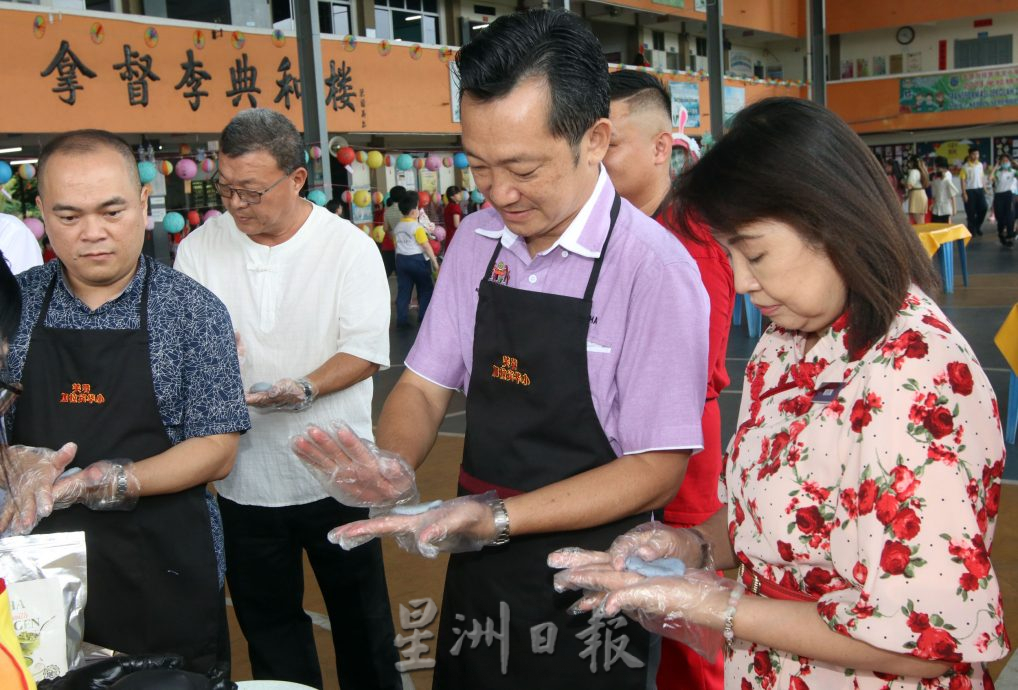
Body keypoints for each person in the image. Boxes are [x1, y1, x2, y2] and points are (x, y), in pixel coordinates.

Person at [291, 9, 709, 689]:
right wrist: (394, 462)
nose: (500, 194)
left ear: (595, 139)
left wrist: (500, 517)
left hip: (598, 577)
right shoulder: (478, 243)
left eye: (522, 168)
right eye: (479, 167)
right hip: (479, 568)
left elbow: (657, 467)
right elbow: (424, 386)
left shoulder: (652, 269)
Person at [550, 97, 1009, 690]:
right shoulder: (786, 341)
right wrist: (688, 545)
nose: (741, 280)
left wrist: (712, 606)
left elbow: (923, 643)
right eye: (731, 254)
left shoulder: (916, 371)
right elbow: (777, 522)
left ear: (831, 220)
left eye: (756, 252)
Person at [2, 130, 249, 683]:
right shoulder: (12, 307)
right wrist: (7, 456)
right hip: (36, 574)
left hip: (163, 568)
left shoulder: (192, 310)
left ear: (142, 204)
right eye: (68, 216)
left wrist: (106, 479)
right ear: (41, 211)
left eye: (111, 210)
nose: (92, 233)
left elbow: (217, 450)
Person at [174, 108, 400, 690]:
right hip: (243, 477)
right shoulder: (199, 249)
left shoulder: (347, 248)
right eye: (224, 188)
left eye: (251, 191)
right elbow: (190, 348)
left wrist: (305, 387)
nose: (236, 204)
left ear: (297, 179)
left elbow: (367, 349)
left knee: (363, 622)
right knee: (269, 625)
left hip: (337, 470)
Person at [602, 68, 732, 690]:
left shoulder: (691, 238)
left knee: (687, 615)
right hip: (622, 444)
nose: (596, 158)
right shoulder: (616, 232)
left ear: (661, 147)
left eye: (612, 142)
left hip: (678, 446)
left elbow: (690, 368)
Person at [393, 193, 439, 329]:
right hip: (417, 260)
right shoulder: (416, 227)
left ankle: (401, 320)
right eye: (418, 208)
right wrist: (435, 263)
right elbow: (426, 246)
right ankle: (423, 317)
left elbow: (396, 245)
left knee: (403, 291)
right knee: (425, 288)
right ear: (414, 211)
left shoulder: (397, 227)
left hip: (401, 260)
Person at [990, 153, 1016, 247]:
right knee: (1000, 218)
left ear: (1009, 162)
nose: (1005, 162)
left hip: (1009, 194)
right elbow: (990, 178)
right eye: (1003, 161)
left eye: (1006, 161)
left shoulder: (1013, 171)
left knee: (1010, 217)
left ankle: (1009, 236)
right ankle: (1001, 234)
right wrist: (996, 166)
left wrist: (1014, 163)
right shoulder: (998, 172)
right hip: (998, 196)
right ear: (1000, 162)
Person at [960, 148, 988, 236]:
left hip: (979, 190)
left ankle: (977, 226)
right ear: (970, 155)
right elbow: (963, 181)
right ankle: (972, 230)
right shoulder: (965, 167)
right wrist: (964, 193)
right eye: (973, 154)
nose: (975, 156)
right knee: (971, 212)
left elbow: (982, 177)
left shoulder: (980, 165)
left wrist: (985, 187)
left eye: (977, 154)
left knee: (984, 208)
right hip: (969, 191)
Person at [380, 185, 405, 277]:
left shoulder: (387, 211)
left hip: (393, 243)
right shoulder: (406, 210)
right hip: (406, 244)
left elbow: (385, 228)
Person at [929, 156, 958, 224]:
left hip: (946, 208)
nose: (935, 168)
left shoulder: (947, 178)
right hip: (936, 208)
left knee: (946, 227)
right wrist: (932, 204)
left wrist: (954, 208)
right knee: (936, 226)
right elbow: (935, 193)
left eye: (937, 167)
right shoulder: (935, 179)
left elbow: (952, 194)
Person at [905, 155, 929, 224]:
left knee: (918, 221)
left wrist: (903, 182)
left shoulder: (914, 171)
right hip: (922, 193)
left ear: (912, 162)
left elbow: (909, 185)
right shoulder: (922, 171)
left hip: (916, 195)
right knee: (921, 220)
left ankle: (919, 235)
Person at [442, 185, 463, 249]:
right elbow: (456, 225)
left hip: (449, 235)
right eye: (457, 193)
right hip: (455, 236)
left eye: (459, 193)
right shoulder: (455, 207)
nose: (460, 194)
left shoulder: (448, 206)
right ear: (452, 197)